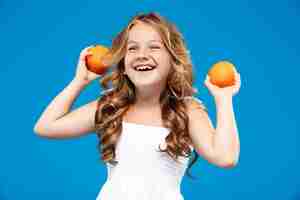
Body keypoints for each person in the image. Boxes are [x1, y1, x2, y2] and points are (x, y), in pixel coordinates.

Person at [34, 12, 241, 200]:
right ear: (123, 65)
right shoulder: (111, 107)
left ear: (173, 60)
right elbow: (46, 126)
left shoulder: (187, 110)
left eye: (154, 46)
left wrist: (223, 99)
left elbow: (225, 157)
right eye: (132, 48)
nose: (142, 54)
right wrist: (79, 81)